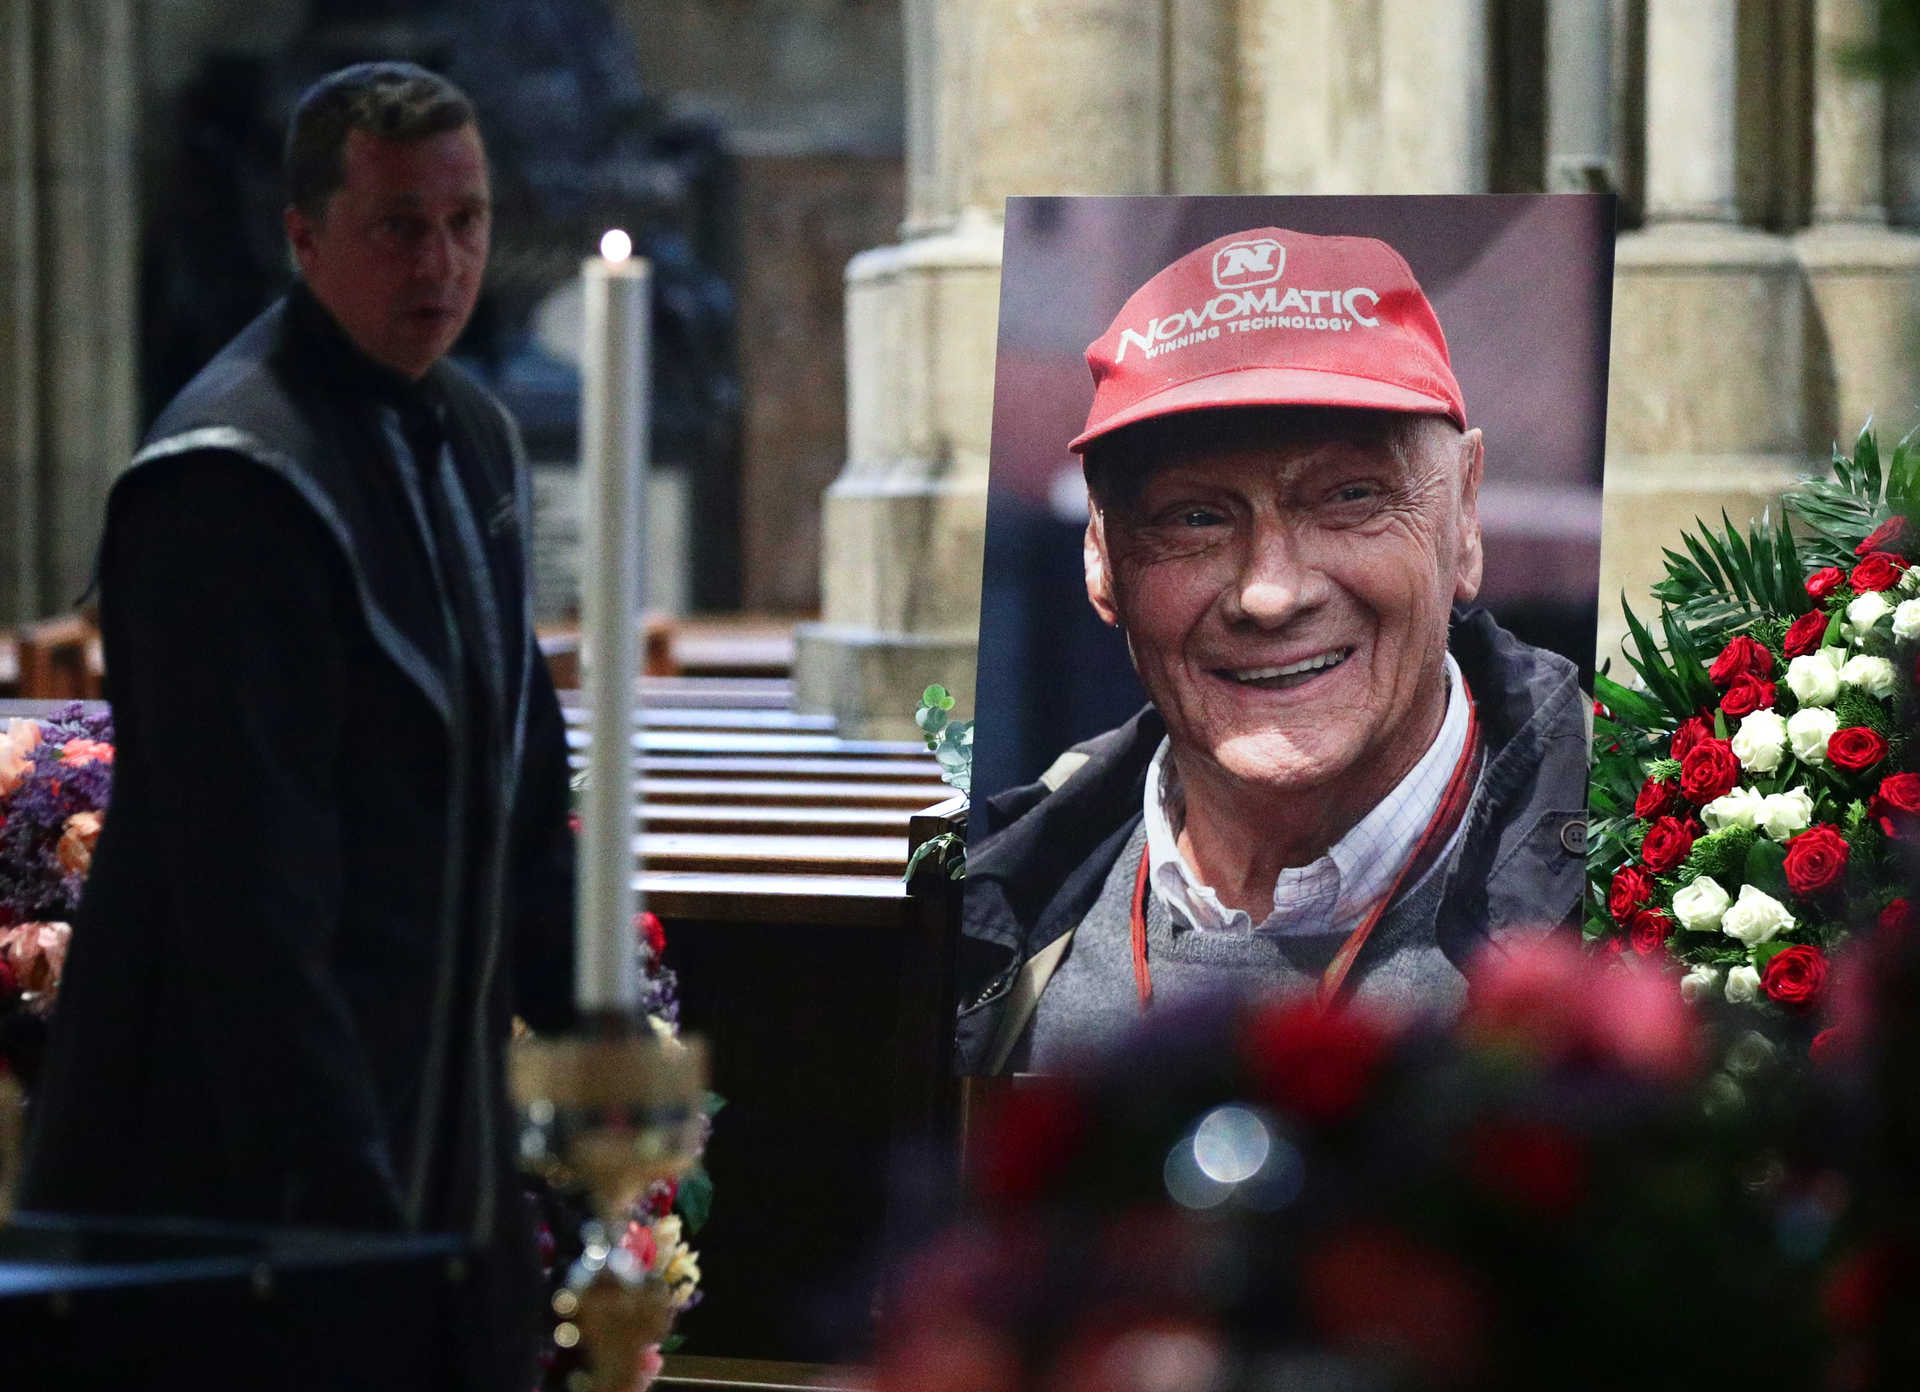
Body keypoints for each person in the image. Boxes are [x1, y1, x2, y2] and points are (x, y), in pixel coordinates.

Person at [21, 63, 576, 1388]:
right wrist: (345, 1199)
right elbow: (245, 893)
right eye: (397, 226)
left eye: (466, 221)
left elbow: (521, 764)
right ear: (304, 235)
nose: (441, 263)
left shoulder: (472, 435)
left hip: (437, 1119)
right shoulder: (228, 477)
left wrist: (590, 1027)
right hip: (241, 1159)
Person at [956, 227, 1589, 1076]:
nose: (1270, 593)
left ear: (1464, 514)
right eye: (1194, 517)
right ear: (1102, 559)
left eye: (1350, 497)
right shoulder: (1002, 896)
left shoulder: (1657, 867)